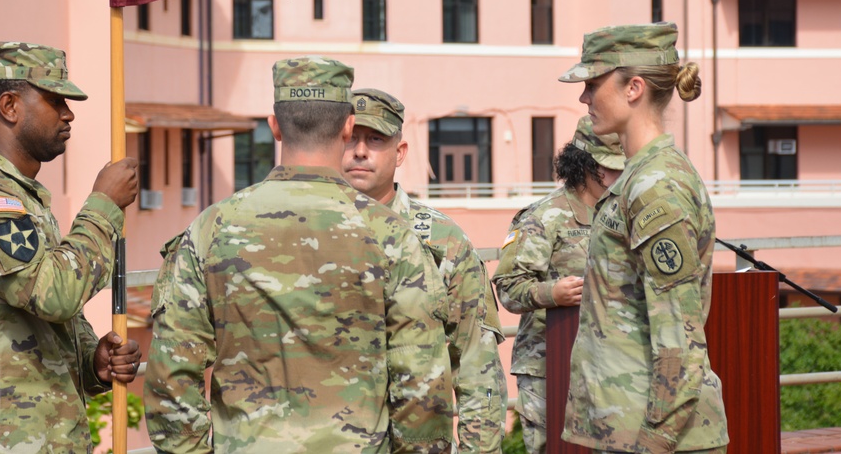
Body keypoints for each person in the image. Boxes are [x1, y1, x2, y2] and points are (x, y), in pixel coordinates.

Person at [144, 57, 454, 454]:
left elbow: (171, 371)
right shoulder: (391, 234)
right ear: (347, 128)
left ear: (274, 126)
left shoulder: (212, 228)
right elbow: (422, 379)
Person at [0, 41, 142, 453]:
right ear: (9, 106)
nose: (68, 113)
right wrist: (103, 205)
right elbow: (54, 293)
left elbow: (34, 318)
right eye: (55, 100)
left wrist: (94, 361)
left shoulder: (19, 199)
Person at [558, 22, 729, 453]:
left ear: (633, 88)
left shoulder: (656, 186)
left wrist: (655, 441)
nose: (584, 98)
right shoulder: (638, 177)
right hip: (628, 427)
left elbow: (679, 339)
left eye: (593, 84)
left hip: (657, 438)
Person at [342, 88, 508, 454]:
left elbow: (476, 364)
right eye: (349, 137)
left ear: (399, 153)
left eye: (375, 139)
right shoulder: (306, 235)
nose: (359, 151)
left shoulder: (443, 241)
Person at [491, 115, 625, 454]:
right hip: (548, 365)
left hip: (612, 363)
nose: (619, 177)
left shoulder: (624, 215)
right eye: (611, 168)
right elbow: (508, 286)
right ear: (584, 164)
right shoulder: (542, 217)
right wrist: (553, 293)